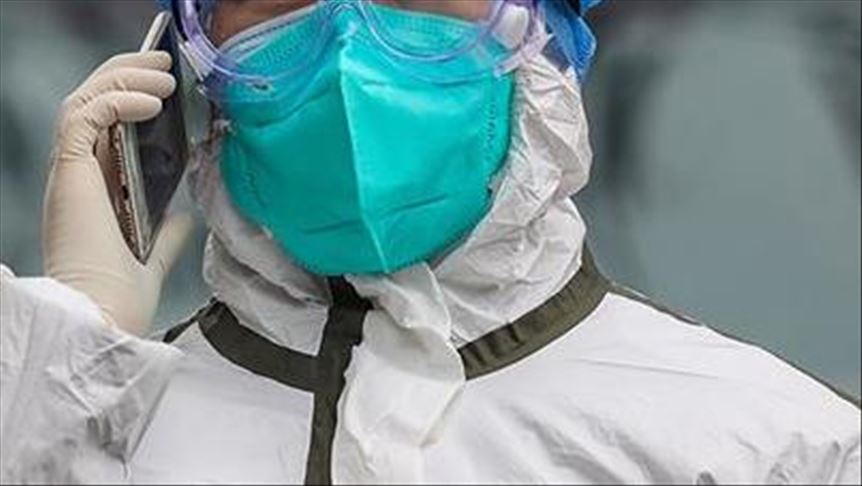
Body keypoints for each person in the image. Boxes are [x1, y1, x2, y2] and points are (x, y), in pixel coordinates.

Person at [0, 0, 859, 484]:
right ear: (193, 66)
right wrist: (65, 367)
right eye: (279, 0)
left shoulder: (775, 452)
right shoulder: (87, 431)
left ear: (541, 31)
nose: (346, 51)